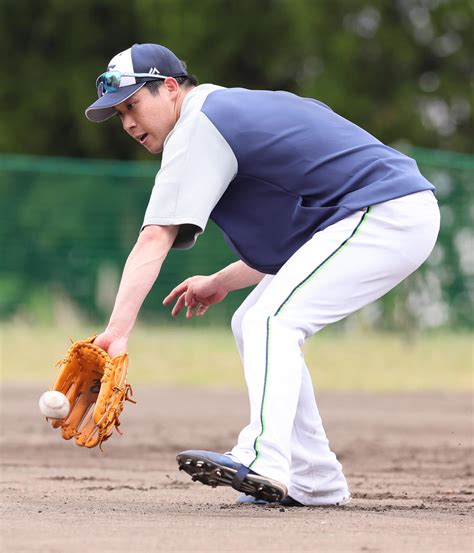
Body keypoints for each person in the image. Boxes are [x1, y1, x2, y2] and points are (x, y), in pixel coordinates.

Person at [87, 43, 440, 507]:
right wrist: (220, 283)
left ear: (170, 88)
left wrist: (116, 331)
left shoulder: (199, 124)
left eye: (132, 104)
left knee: (271, 322)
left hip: (384, 212)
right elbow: (300, 240)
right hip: (376, 213)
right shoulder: (228, 112)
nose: (128, 122)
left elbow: (155, 238)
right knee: (251, 319)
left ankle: (264, 458)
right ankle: (315, 479)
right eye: (119, 114)